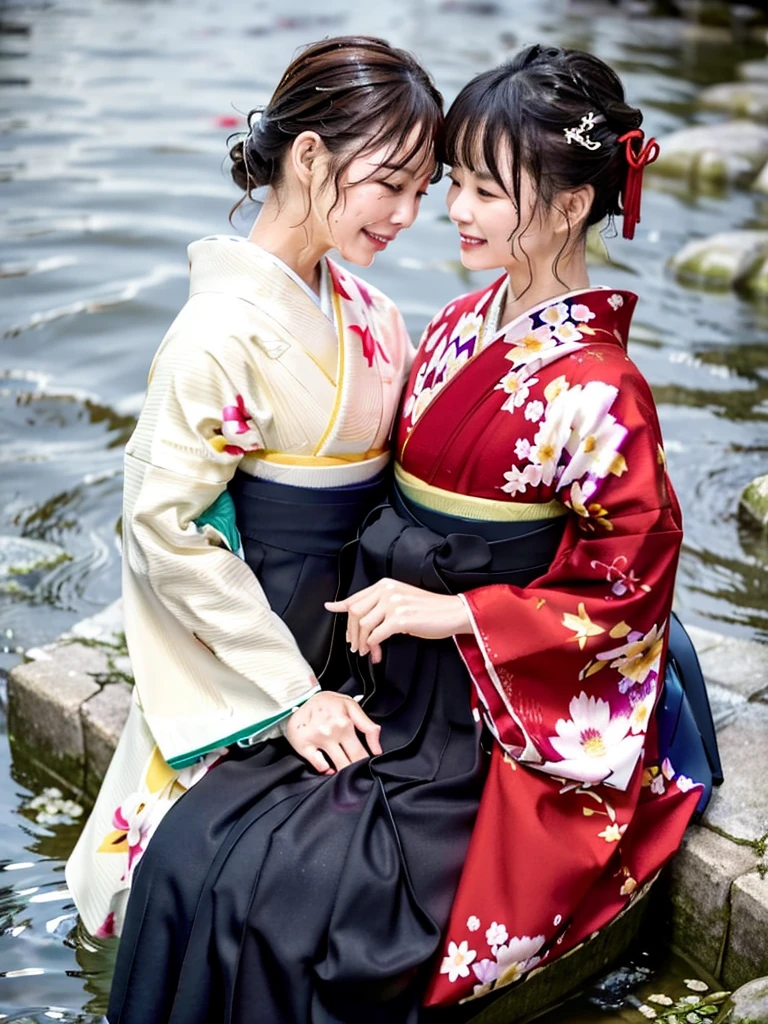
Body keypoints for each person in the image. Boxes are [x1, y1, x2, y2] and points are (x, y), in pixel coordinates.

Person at [104, 44, 707, 1024]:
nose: (452, 213)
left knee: (304, 906)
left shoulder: (603, 388)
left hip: (487, 703)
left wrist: (458, 610)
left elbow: (627, 583)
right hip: (380, 661)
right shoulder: (462, 322)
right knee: (197, 846)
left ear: (565, 206)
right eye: (450, 181)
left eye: (480, 189)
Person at [65, 34, 442, 945]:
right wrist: (288, 692)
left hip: (359, 623)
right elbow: (167, 528)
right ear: (310, 156)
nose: (407, 214)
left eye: (423, 193)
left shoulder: (375, 315)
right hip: (257, 635)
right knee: (181, 888)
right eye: (390, 183)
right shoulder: (212, 337)